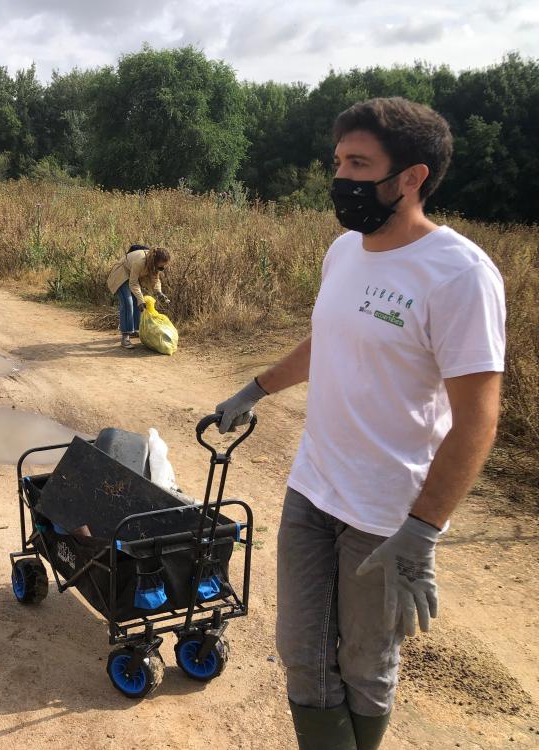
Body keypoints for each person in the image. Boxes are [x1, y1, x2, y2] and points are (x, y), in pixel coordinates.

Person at [215, 98, 505, 750]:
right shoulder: (343, 251)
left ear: (411, 177)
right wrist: (255, 389)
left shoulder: (459, 274)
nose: (340, 177)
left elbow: (478, 418)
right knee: (300, 654)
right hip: (312, 491)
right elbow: (329, 341)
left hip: (386, 513)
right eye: (338, 160)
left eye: (358, 163)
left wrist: (423, 530)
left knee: (365, 667)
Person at [106, 244, 171, 348]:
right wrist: (140, 300)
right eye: (161, 266)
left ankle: (136, 330)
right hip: (121, 274)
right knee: (128, 303)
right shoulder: (140, 261)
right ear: (156, 260)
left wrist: (159, 293)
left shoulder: (153, 264)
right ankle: (125, 336)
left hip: (131, 276)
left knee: (138, 301)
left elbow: (155, 279)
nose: (162, 268)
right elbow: (133, 283)